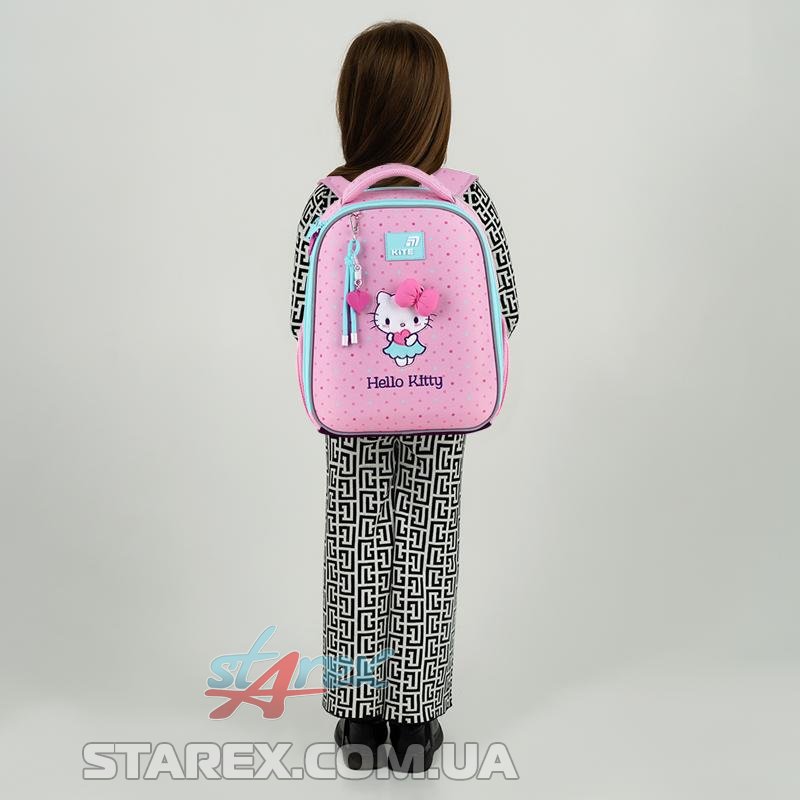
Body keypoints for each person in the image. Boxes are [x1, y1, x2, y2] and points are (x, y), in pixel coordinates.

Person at [289, 20, 520, 773]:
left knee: (356, 549)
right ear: (436, 105)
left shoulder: (328, 201)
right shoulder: (467, 199)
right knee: (426, 551)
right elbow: (507, 308)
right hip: (442, 409)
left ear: (352, 105)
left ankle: (359, 724)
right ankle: (417, 726)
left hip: (352, 412)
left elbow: (299, 315)